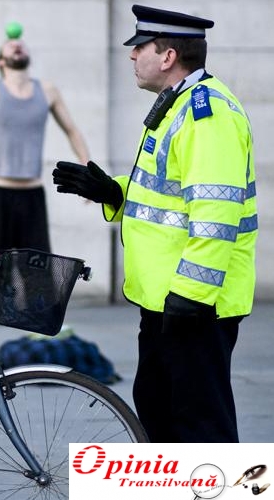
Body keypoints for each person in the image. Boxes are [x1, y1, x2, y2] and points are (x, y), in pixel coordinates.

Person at [53, 4, 258, 443]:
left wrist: (191, 295)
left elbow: (215, 213)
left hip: (193, 304)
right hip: (167, 301)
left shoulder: (207, 114)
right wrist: (113, 192)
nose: (131, 55)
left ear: (167, 56)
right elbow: (167, 195)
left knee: (201, 428)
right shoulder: (177, 104)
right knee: (160, 415)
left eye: (140, 47)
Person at [0, 28, 90, 314]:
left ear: (28, 55)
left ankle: (40, 326)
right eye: (10, 45)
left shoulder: (47, 91)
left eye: (20, 44)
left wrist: (88, 171)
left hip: (31, 195)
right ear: (1, 60)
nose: (16, 46)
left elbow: (73, 131)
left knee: (38, 267)